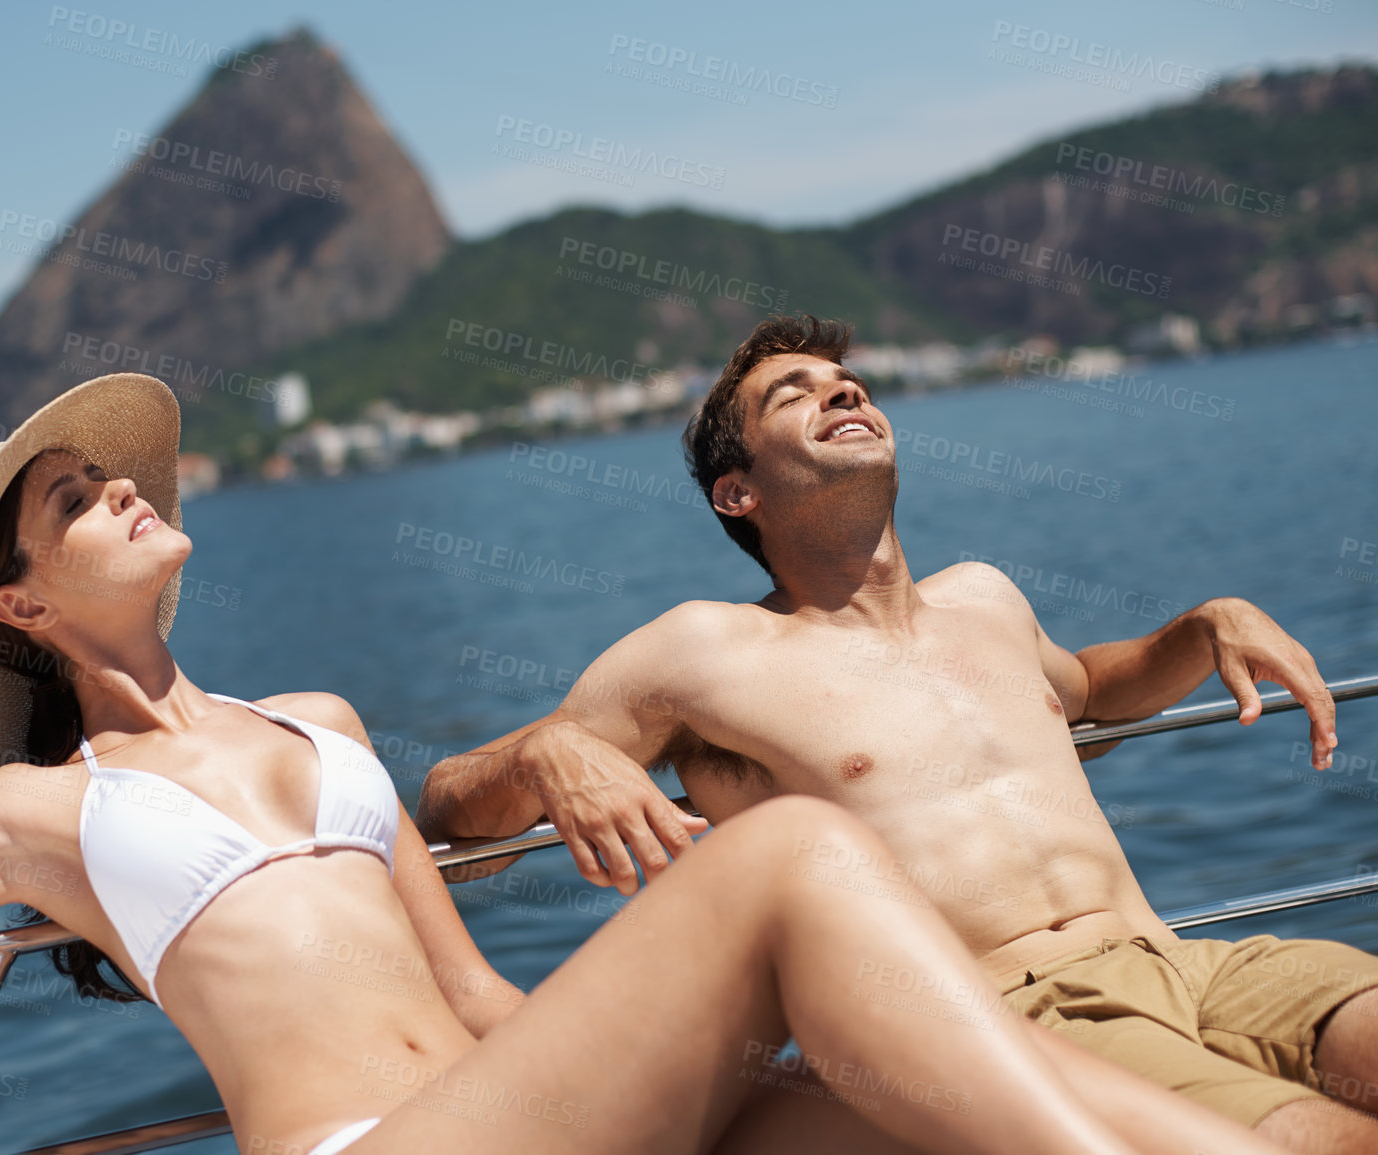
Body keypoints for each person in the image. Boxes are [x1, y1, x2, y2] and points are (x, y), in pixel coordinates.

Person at [0, 373, 1282, 1155]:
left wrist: (732, 1080)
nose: (120, 496)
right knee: (788, 857)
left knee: (888, 1118)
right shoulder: (33, 812)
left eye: (113, 477)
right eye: (77, 501)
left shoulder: (322, 724)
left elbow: (475, 995)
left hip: (510, 1106)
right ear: (21, 604)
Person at [417, 313, 1378, 1153]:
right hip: (1014, 1015)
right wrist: (548, 753)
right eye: (792, 395)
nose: (840, 389)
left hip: (1192, 958)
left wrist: (1203, 623)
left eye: (849, 383)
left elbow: (1087, 688)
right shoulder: (700, 652)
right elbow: (452, 813)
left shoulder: (985, 598)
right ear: (736, 492)